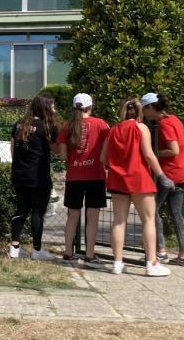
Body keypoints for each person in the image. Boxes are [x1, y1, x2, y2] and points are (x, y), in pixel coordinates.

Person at [104, 98, 173, 276]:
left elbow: (103, 158)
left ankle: (117, 263)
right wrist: (162, 176)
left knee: (119, 221)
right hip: (139, 179)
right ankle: (151, 263)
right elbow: (149, 155)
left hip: (117, 180)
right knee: (148, 220)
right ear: (140, 112)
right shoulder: (141, 128)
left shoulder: (113, 130)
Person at [56, 93, 109, 268]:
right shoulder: (101, 124)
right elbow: (108, 148)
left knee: (72, 216)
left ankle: (68, 253)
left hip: (74, 177)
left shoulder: (67, 126)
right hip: (95, 175)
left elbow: (63, 155)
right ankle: (90, 255)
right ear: (90, 107)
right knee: (92, 218)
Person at [8, 94, 59, 260]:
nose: (54, 109)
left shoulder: (19, 124)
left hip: (19, 175)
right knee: (37, 212)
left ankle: (14, 248)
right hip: (39, 177)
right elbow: (57, 150)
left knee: (21, 209)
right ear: (45, 108)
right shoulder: (47, 126)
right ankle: (37, 251)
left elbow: (12, 150)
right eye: (52, 106)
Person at [141, 93, 184, 266]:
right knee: (177, 214)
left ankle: (160, 252)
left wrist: (153, 152)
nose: (143, 114)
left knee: (151, 210)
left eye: (144, 109)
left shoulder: (164, 124)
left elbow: (174, 150)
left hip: (170, 174)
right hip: (183, 172)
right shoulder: (174, 119)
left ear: (151, 108)